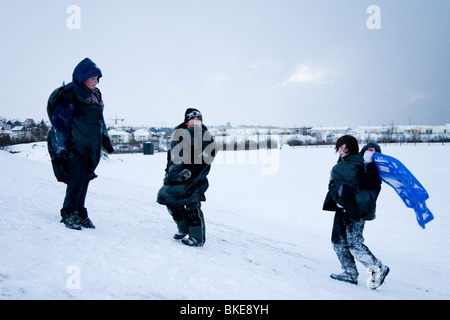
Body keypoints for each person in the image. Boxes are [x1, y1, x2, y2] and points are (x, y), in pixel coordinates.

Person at [47, 58, 114, 230]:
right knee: (76, 179)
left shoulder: (95, 95)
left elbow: (100, 120)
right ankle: (68, 212)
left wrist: (105, 139)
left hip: (90, 147)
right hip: (73, 145)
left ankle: (80, 212)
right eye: (93, 78)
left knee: (85, 178)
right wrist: (62, 148)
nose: (96, 81)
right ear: (82, 77)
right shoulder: (70, 94)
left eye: (98, 78)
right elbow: (60, 123)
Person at [322, 135, 389, 287]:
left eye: (346, 147)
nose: (342, 150)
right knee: (338, 242)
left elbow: (367, 181)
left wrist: (370, 159)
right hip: (341, 208)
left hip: (354, 210)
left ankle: (378, 268)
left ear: (352, 148)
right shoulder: (344, 162)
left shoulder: (361, 164)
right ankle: (350, 273)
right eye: (340, 147)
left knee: (354, 244)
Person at [156, 108, 216, 246]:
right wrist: (168, 174)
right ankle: (183, 229)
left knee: (192, 206)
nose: (196, 122)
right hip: (176, 176)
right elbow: (171, 159)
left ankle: (197, 238)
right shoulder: (178, 135)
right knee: (168, 199)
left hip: (195, 178)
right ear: (186, 121)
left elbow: (206, 159)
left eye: (199, 120)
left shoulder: (205, 137)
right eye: (193, 120)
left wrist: (190, 173)